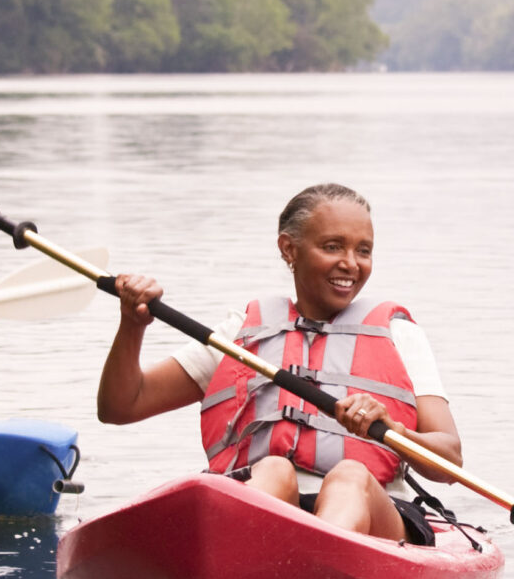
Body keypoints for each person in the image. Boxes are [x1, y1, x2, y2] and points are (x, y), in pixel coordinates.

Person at [95, 183, 463, 542]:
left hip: (374, 519)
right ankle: (248, 555)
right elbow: (121, 406)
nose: (350, 264)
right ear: (289, 249)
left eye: (363, 251)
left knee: (350, 477)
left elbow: (449, 461)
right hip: (261, 505)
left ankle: (318, 560)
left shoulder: (398, 335)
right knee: (273, 468)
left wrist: (394, 430)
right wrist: (132, 323)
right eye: (332, 247)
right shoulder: (242, 334)